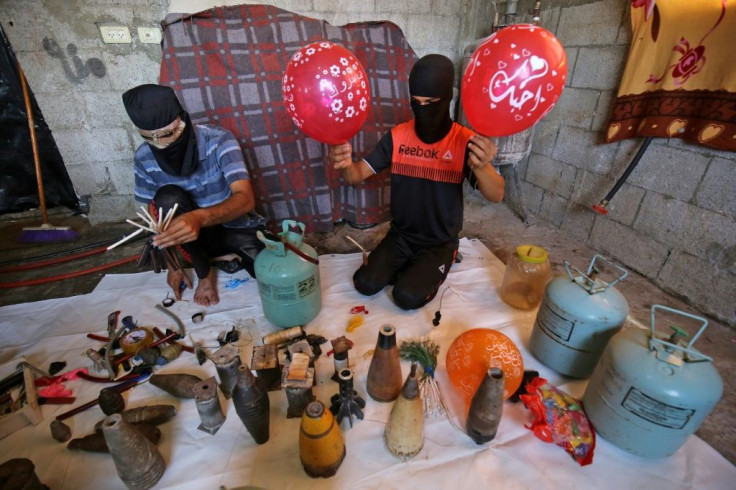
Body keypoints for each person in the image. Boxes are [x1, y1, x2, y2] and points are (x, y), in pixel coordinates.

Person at [328, 54, 504, 310]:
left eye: (431, 102)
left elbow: (497, 194)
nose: (423, 109)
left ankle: (442, 259)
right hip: (402, 236)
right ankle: (410, 268)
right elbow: (355, 175)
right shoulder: (398, 137)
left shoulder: (464, 141)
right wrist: (344, 163)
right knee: (364, 284)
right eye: (416, 102)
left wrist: (482, 166)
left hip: (439, 243)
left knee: (406, 297)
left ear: (447, 99)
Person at [122, 84, 265, 307]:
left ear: (182, 120)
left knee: (273, 274)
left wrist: (198, 218)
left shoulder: (218, 140)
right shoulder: (144, 157)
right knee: (166, 198)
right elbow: (155, 217)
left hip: (233, 227)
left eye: (168, 134)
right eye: (149, 138)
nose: (161, 144)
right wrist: (173, 265)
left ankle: (226, 259)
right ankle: (205, 274)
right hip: (194, 242)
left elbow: (245, 199)